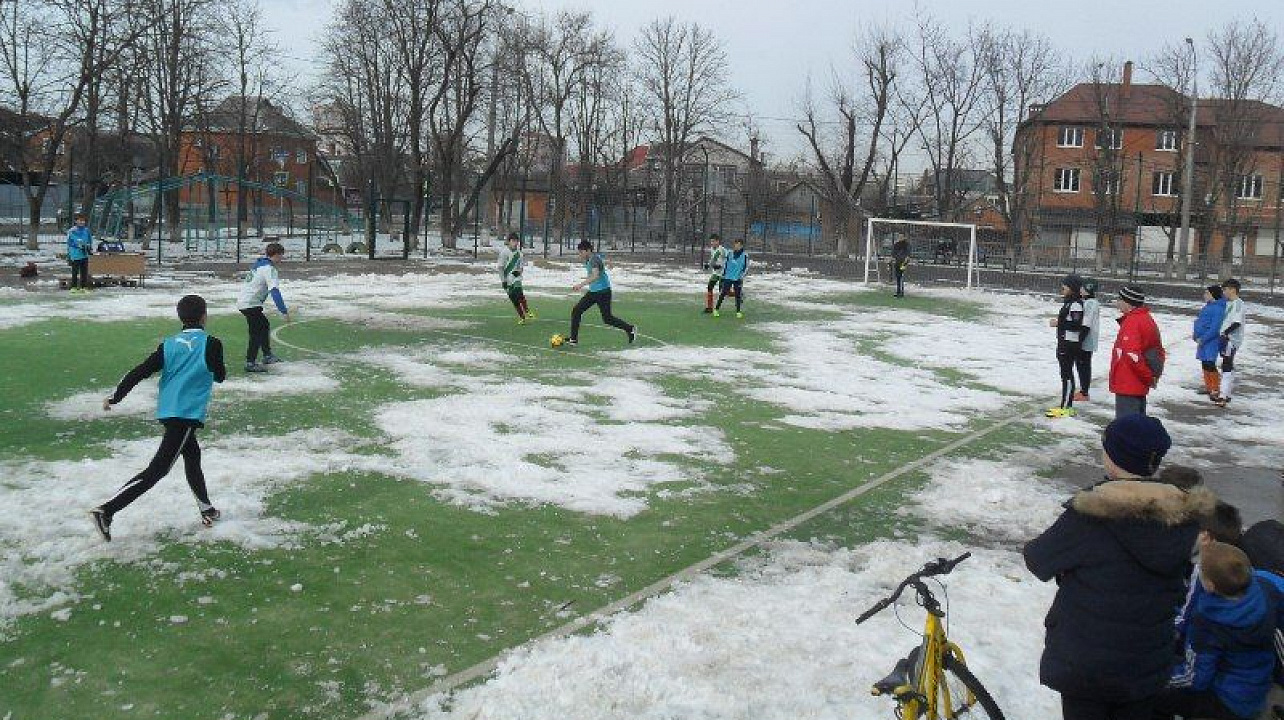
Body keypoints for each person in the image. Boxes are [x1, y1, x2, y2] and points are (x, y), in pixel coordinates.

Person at [1025, 413, 1214, 720]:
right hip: (1146, 663)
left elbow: (1037, 559)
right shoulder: (1182, 518)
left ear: (1112, 457)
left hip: (1086, 665)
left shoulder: (1090, 514)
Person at [89, 295, 227, 541]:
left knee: (192, 458)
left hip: (168, 411)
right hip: (185, 415)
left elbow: (140, 371)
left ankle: (206, 509)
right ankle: (107, 510)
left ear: (180, 317)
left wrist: (116, 397)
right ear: (205, 316)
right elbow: (220, 376)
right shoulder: (212, 343)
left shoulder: (169, 344)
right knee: (157, 471)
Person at [1158, 542, 1280, 720]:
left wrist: (1156, 677)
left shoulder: (1208, 625)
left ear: (1209, 585)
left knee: (1154, 695)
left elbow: (1196, 679)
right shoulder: (1264, 589)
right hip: (1257, 686)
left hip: (1227, 701)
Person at [567, 240, 636, 347]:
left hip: (603, 292)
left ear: (588, 250)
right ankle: (573, 339)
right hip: (594, 292)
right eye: (579, 252)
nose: (579, 254)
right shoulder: (590, 258)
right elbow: (601, 262)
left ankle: (630, 328)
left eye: (581, 252)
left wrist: (580, 285)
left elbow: (595, 276)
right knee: (577, 311)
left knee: (607, 319)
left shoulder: (594, 260)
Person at [1109, 286, 1165, 418]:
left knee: (1127, 426)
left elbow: (1131, 354)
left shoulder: (1133, 322)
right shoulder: (1144, 318)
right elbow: (1157, 351)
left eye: (1119, 299)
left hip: (1129, 383)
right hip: (1135, 383)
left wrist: (1148, 377)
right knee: (1137, 424)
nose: (1117, 303)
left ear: (1128, 302)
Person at [237, 242, 290, 373]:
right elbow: (275, 291)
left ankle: (267, 355)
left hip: (246, 302)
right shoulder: (269, 269)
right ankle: (250, 362)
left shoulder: (260, 264)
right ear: (276, 255)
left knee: (264, 325)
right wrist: (283, 310)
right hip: (250, 304)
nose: (281, 259)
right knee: (256, 332)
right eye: (281, 256)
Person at [1047, 274, 1085, 418]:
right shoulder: (1069, 302)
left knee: (1067, 375)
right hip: (1064, 342)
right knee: (1065, 374)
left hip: (1069, 344)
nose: (1062, 287)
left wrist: (1059, 323)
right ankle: (1065, 404)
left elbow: (1076, 325)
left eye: (1066, 285)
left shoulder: (1075, 304)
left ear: (1072, 288)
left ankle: (1066, 407)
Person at [1213, 279, 1246, 408]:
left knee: (1226, 364)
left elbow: (1237, 322)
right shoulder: (1229, 303)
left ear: (1233, 289)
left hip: (1231, 340)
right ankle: (1226, 393)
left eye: (1225, 289)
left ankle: (1223, 396)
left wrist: (1225, 333)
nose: (1224, 292)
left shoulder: (1238, 304)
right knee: (1227, 363)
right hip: (1226, 338)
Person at [1193, 284, 1227, 400]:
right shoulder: (1208, 306)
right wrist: (1196, 335)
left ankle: (1215, 388)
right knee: (1204, 362)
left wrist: (1203, 338)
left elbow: (1215, 328)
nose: (1204, 295)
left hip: (1210, 340)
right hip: (1202, 339)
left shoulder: (1218, 309)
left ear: (1213, 295)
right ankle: (1208, 386)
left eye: (1207, 293)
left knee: (1210, 363)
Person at [498, 232, 535, 323]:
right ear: (509, 242)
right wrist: (503, 281)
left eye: (516, 241)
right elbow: (500, 268)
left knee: (519, 292)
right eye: (513, 241)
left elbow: (521, 268)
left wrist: (518, 272)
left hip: (516, 278)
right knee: (514, 299)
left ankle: (527, 310)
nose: (515, 243)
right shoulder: (504, 253)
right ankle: (522, 317)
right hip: (507, 279)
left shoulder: (519, 254)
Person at [1075, 278, 1101, 401]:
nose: (1080, 289)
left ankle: (1084, 392)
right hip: (1086, 338)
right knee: (1082, 364)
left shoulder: (1090, 303)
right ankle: (1083, 390)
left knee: (1083, 364)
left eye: (1082, 287)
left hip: (1087, 338)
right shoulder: (1088, 302)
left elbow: (1086, 323)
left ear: (1088, 289)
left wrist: (1079, 339)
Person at [713, 238, 749, 318]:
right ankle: (716, 309)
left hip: (738, 278)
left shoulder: (745, 255)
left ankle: (738, 312)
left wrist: (741, 276)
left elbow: (746, 267)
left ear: (741, 246)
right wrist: (723, 273)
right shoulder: (730, 253)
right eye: (736, 244)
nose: (737, 246)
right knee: (723, 293)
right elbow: (725, 263)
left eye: (739, 245)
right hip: (728, 277)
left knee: (738, 295)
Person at [66, 212, 92, 293]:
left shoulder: (87, 230)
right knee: (75, 271)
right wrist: (77, 246)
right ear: (76, 221)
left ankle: (84, 287)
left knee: (84, 272)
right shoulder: (72, 231)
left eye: (83, 221)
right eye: (80, 220)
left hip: (84, 254)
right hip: (75, 255)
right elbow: (69, 242)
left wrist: (88, 247)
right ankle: (73, 287)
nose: (82, 222)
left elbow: (89, 240)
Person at [702, 234, 727, 314]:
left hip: (723, 273)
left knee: (722, 291)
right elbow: (713, 259)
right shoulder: (712, 249)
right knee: (710, 287)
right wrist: (708, 265)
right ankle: (709, 308)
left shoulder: (722, 250)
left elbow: (729, 260)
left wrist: (721, 266)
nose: (712, 243)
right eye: (711, 241)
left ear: (718, 241)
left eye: (713, 241)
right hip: (716, 273)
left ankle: (738, 294)